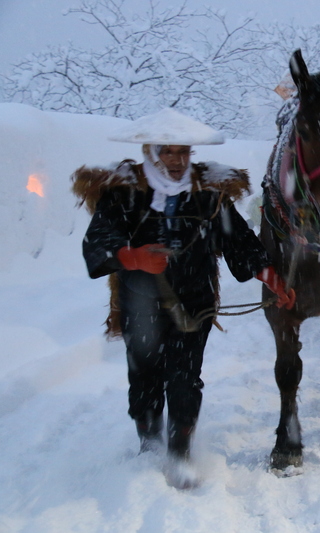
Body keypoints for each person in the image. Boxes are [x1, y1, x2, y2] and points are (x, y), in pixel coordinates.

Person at [71, 108, 293, 488]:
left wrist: (272, 278)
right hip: (139, 302)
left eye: (183, 152)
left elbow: (240, 243)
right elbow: (96, 245)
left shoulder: (209, 197)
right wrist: (133, 257)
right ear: (152, 153)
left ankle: (179, 452)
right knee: (144, 377)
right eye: (168, 152)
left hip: (195, 302)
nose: (176, 161)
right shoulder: (123, 196)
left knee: (185, 378)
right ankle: (149, 442)